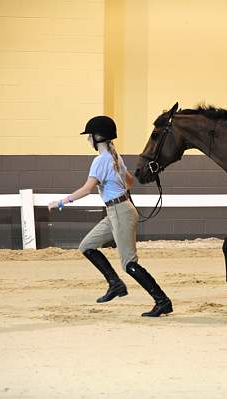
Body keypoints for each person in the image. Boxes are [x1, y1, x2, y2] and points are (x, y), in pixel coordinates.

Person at [48, 115, 173, 317]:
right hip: (116, 211)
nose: (88, 140)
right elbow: (130, 182)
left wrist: (62, 202)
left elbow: (87, 189)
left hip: (120, 212)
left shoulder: (100, 160)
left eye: (90, 136)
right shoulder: (115, 157)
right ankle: (115, 285)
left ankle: (162, 301)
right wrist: (116, 183)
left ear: (98, 137)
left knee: (129, 264)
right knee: (87, 246)